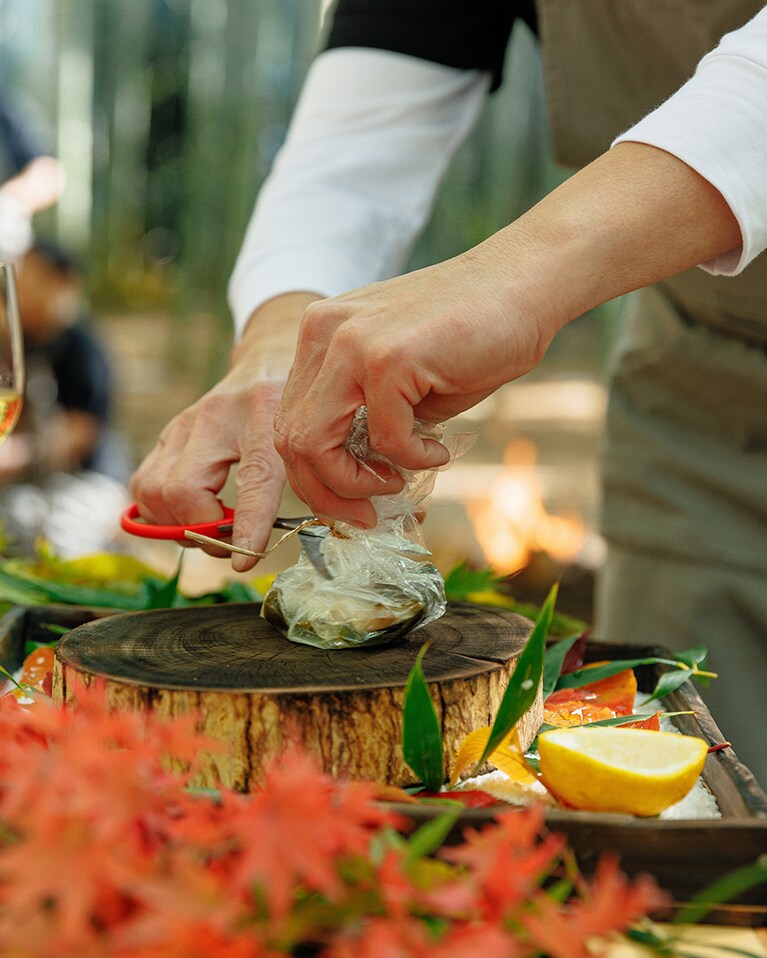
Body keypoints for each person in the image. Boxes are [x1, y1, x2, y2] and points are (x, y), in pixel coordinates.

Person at [131, 2, 767, 785]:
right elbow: (368, 127)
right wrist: (280, 339)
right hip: (707, 381)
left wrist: (520, 275)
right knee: (699, 786)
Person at [0, 241, 131, 555]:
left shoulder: (81, 349)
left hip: (90, 478)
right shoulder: (16, 345)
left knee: (60, 534)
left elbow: (77, 437)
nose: (19, 289)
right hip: (32, 485)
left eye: (30, 279)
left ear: (62, 283)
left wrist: (16, 454)